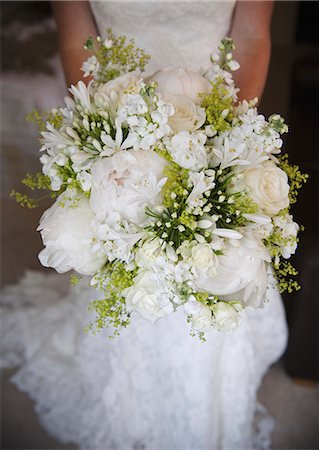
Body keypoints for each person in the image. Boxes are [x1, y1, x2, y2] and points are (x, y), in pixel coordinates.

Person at [1, 1, 288, 449]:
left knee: (219, 264)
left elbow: (251, 37)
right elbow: (79, 39)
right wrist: (109, 136)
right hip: (121, 121)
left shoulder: (221, 129)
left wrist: (223, 137)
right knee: (125, 260)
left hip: (217, 115)